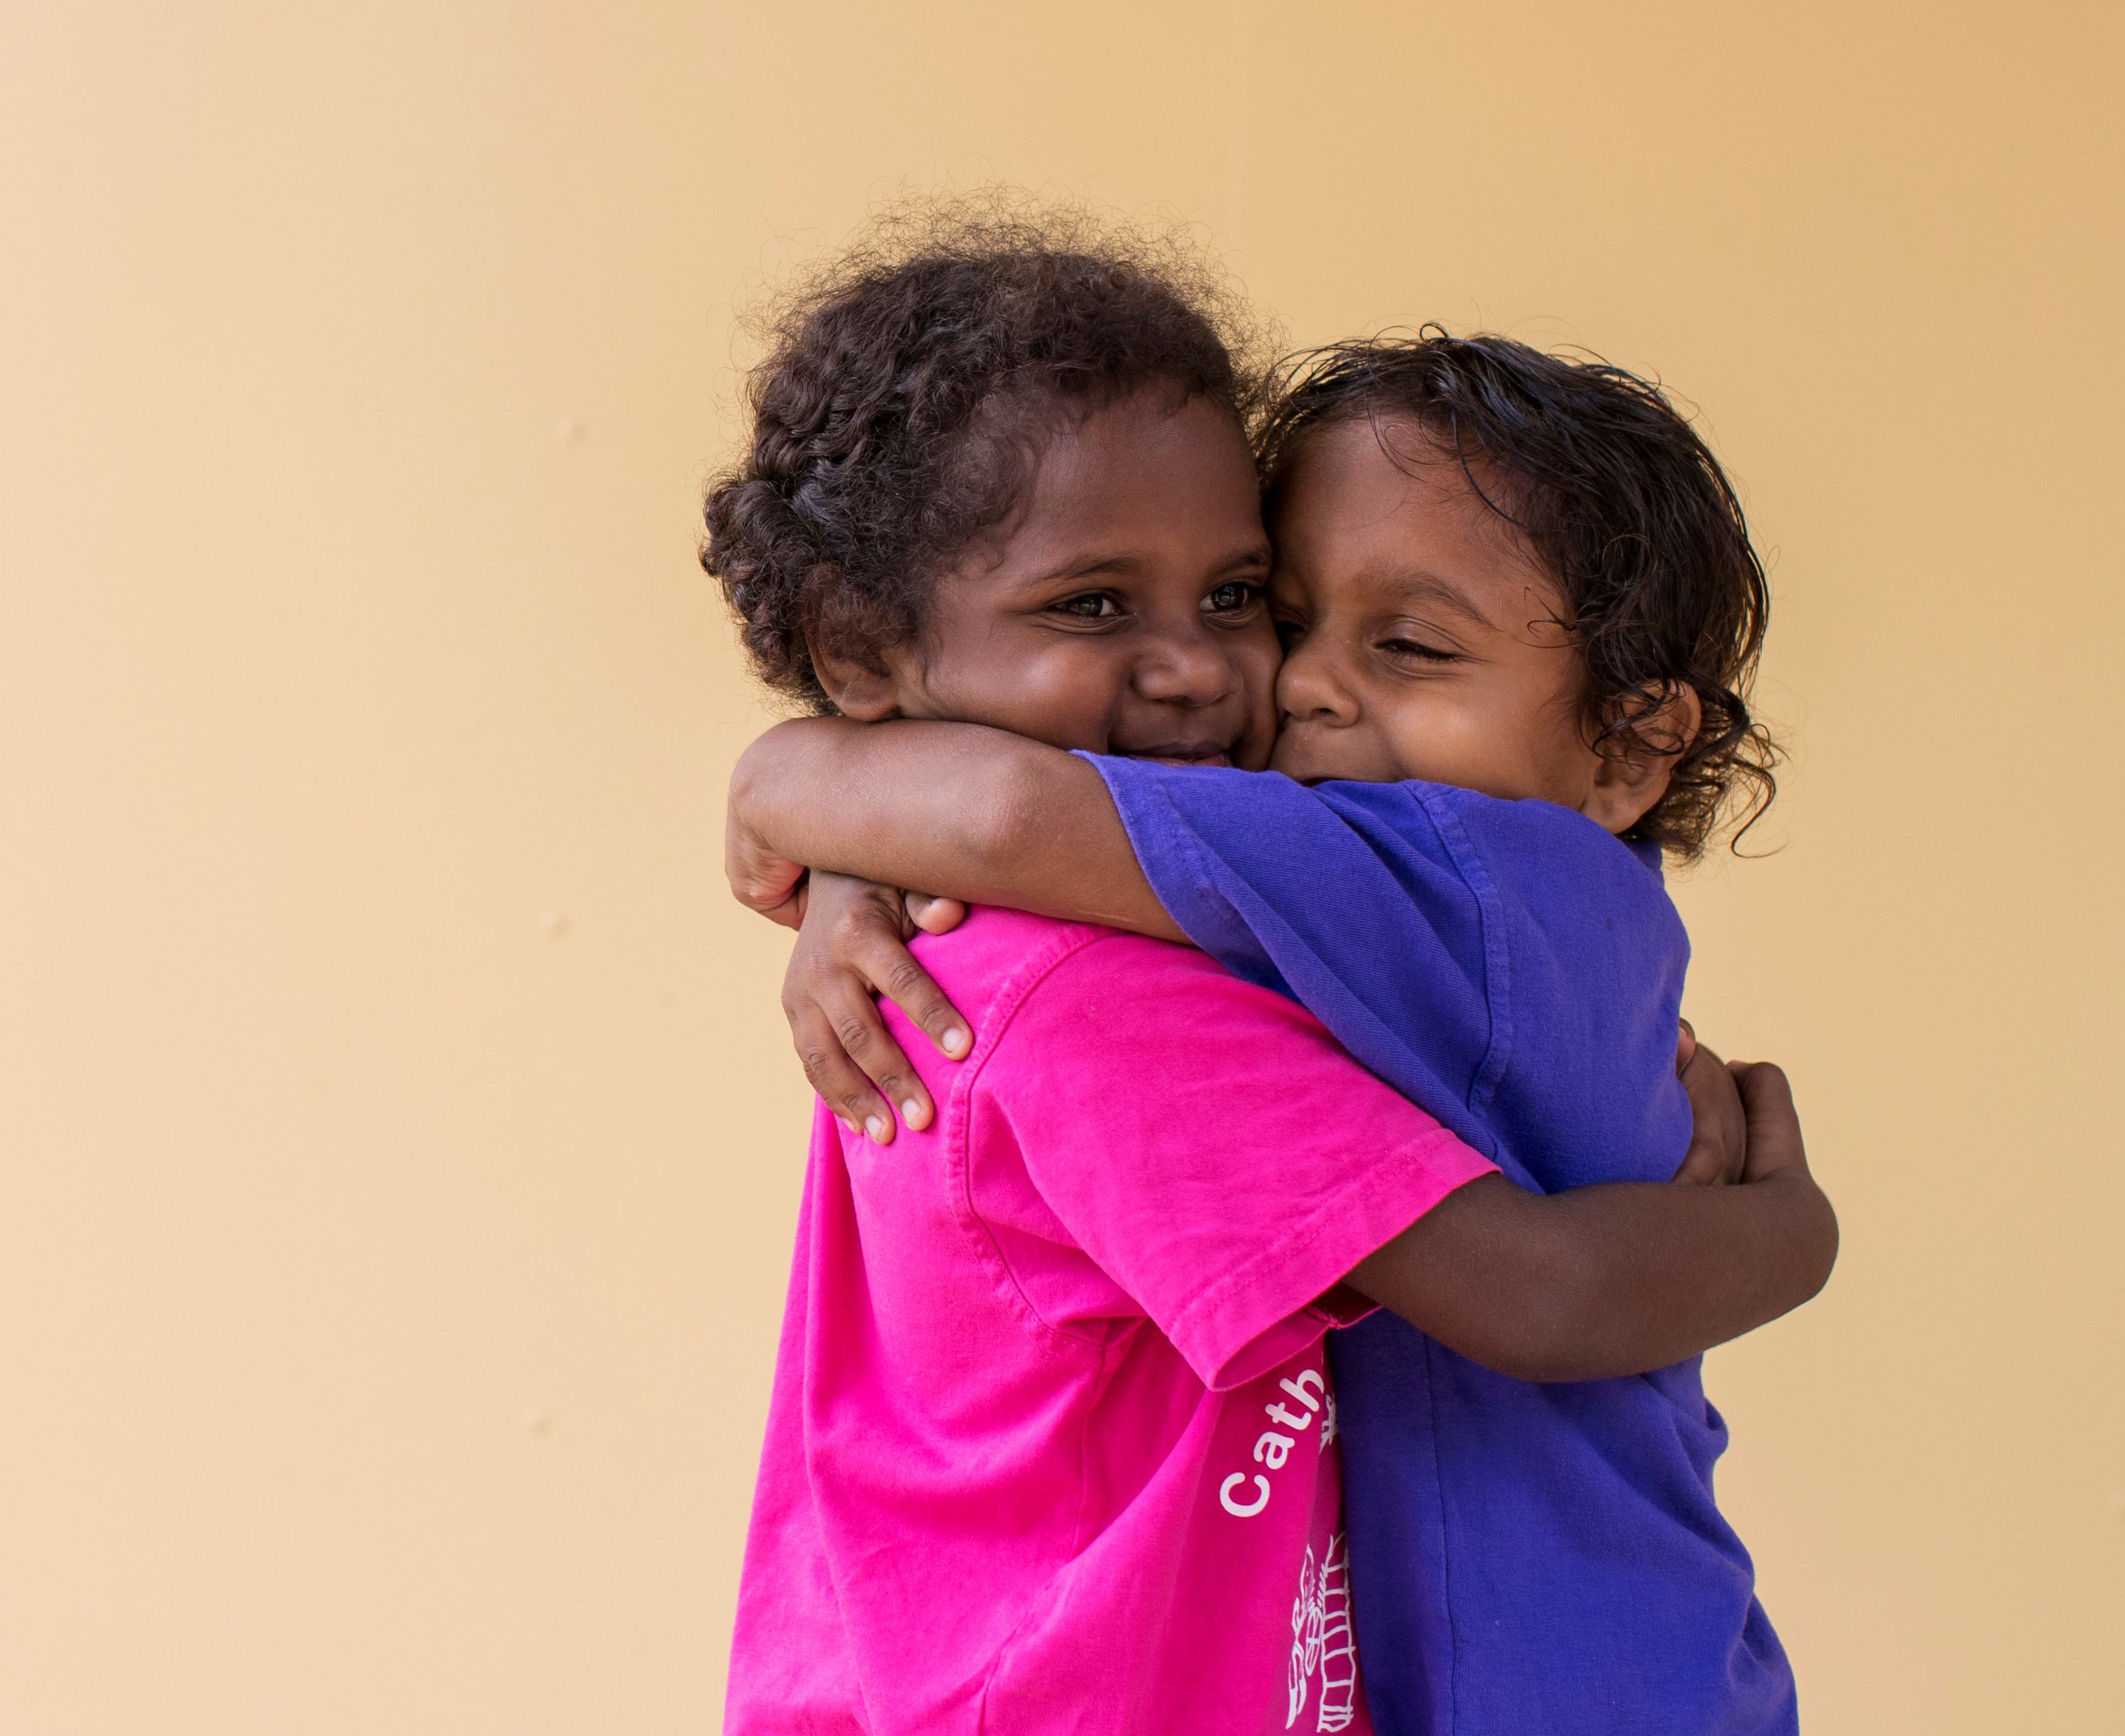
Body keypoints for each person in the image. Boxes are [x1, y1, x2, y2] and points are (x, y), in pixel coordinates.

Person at [709, 206, 1835, 1735]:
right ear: (861, 645)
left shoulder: (1439, 869)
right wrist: (851, 844)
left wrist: (799, 791)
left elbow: (1003, 812)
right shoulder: (1144, 954)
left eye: (1232, 598)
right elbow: (1007, 825)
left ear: (1638, 747)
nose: (1272, 684)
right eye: (1287, 613)